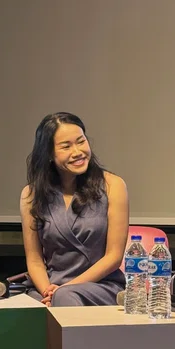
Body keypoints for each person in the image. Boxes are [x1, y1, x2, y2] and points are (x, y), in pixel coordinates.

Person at [20, 112, 128, 307]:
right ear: (49, 155)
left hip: (100, 286)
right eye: (66, 146)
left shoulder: (113, 185)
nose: (78, 151)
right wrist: (48, 291)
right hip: (50, 286)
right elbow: (35, 260)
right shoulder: (31, 195)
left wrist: (63, 290)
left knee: (66, 297)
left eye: (81, 141)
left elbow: (113, 257)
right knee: (23, 306)